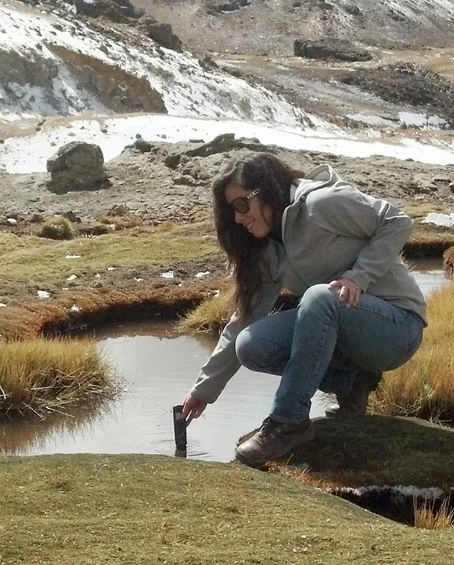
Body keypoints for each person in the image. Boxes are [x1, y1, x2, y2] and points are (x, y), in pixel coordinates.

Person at [180, 152, 427, 467]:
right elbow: (244, 319)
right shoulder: (267, 249)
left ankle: (288, 422)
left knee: (319, 298)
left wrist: (359, 277)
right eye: (232, 211)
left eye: (241, 205)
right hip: (343, 330)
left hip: (397, 327)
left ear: (266, 192)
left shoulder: (321, 203)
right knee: (251, 345)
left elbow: (396, 221)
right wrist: (203, 390)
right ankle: (352, 382)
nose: (239, 219)